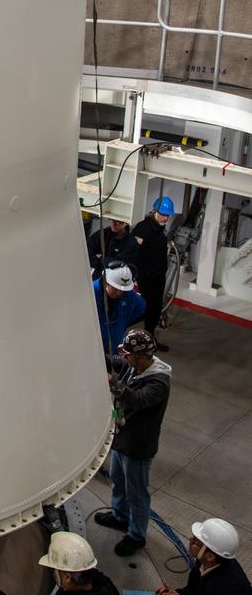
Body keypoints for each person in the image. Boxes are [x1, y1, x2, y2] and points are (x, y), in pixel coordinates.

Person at [95, 327, 171, 556]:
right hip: (122, 438)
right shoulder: (133, 366)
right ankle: (120, 516)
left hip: (138, 446)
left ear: (141, 356)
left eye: (128, 355)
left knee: (136, 494)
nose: (124, 359)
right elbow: (112, 360)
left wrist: (112, 382)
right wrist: (92, 352)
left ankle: (136, 535)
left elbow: (137, 399)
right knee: (117, 481)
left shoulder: (159, 383)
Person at [132, 196, 175, 348]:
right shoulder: (143, 228)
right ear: (154, 211)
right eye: (162, 214)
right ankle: (139, 339)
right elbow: (133, 250)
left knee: (155, 309)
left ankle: (150, 339)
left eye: (167, 215)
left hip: (158, 277)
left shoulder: (161, 230)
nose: (165, 218)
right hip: (146, 277)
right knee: (146, 308)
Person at [92, 263, 146, 356]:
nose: (119, 293)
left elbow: (141, 307)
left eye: (122, 290)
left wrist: (123, 322)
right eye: (116, 289)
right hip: (94, 348)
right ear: (107, 282)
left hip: (114, 349)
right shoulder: (92, 293)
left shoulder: (127, 294)